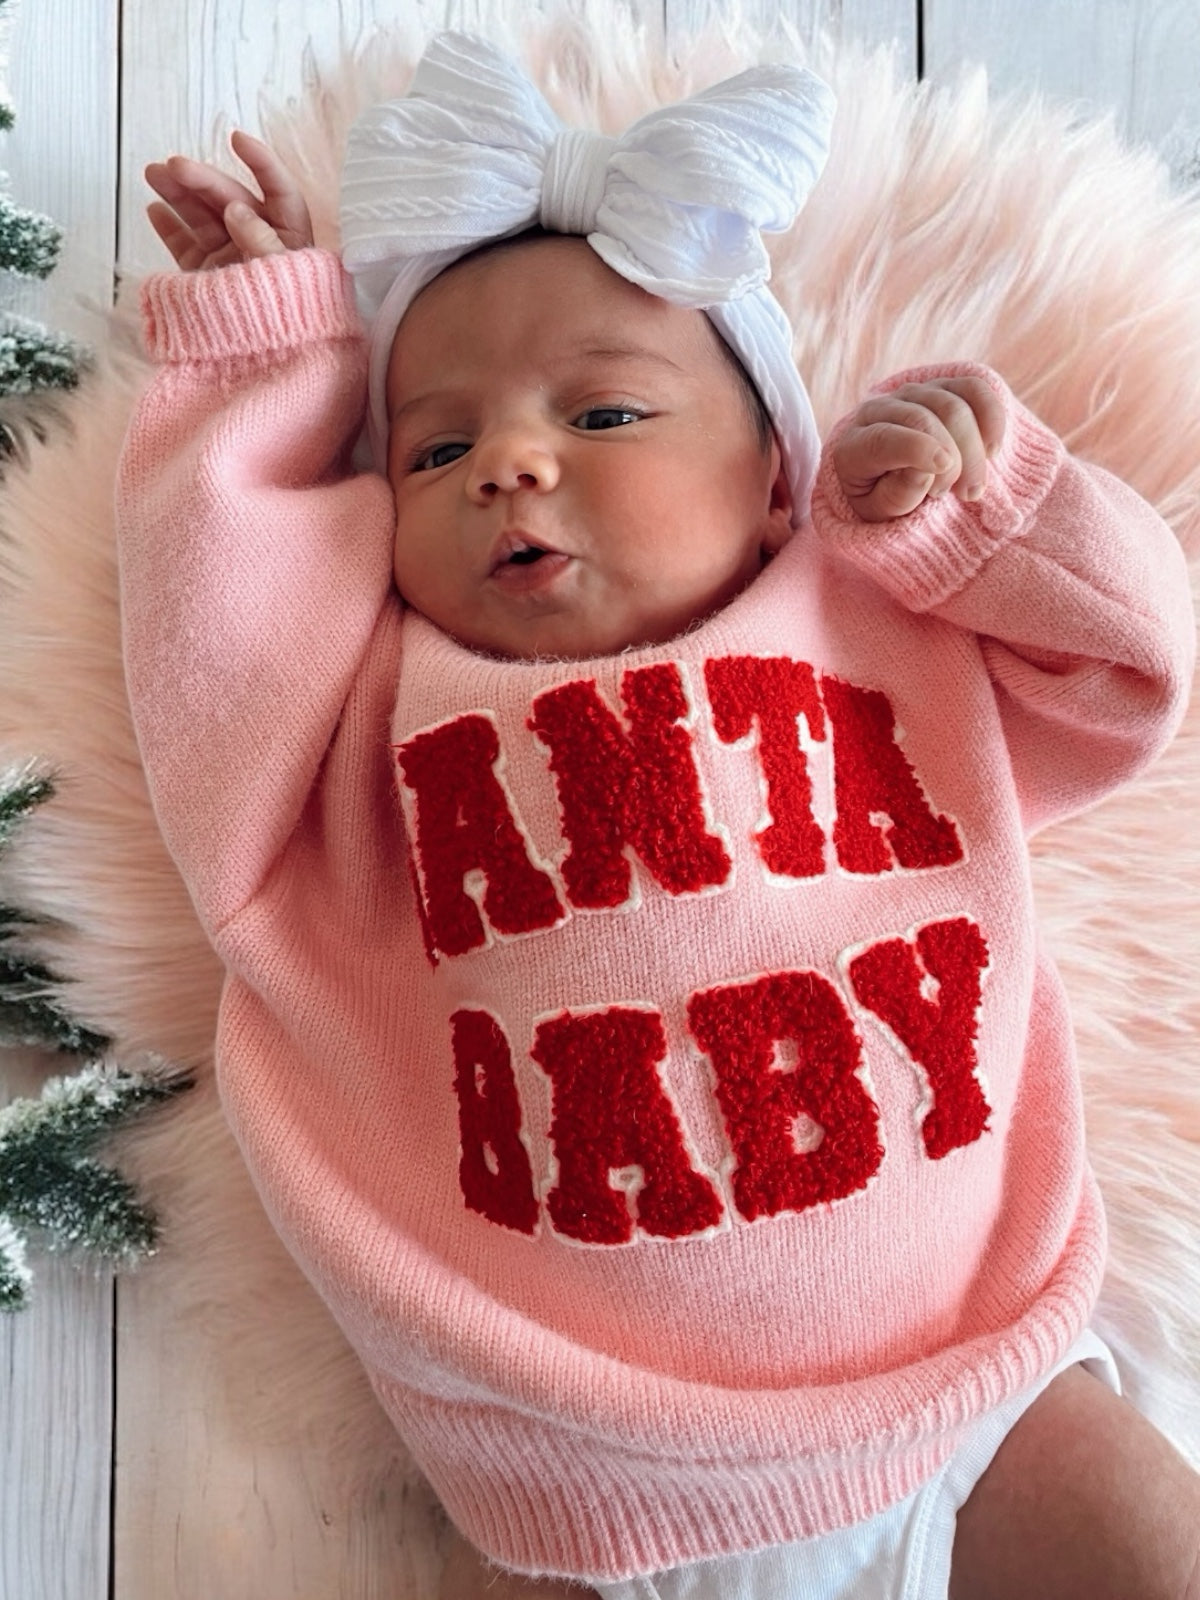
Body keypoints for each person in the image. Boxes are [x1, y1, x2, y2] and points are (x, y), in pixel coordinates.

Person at [120, 31, 1200, 1600]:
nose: (510, 464)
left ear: (776, 476)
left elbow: (1128, 669)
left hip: (979, 1396)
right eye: (435, 446)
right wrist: (263, 359)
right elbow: (211, 634)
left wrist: (983, 514)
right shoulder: (364, 715)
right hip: (587, 1483)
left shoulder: (870, 614)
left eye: (607, 418)